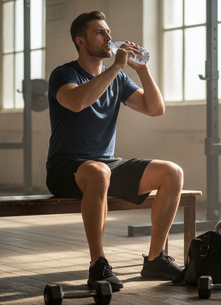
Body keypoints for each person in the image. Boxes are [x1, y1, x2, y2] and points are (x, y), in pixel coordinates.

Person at [46, 11, 184, 292]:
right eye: (100, 33)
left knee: (172, 172)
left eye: (108, 31)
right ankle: (98, 263)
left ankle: (156, 259)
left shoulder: (118, 80)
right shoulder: (64, 74)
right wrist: (117, 68)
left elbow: (155, 109)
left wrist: (141, 69)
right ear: (81, 42)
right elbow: (77, 102)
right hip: (66, 167)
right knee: (98, 172)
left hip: (107, 165)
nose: (109, 37)